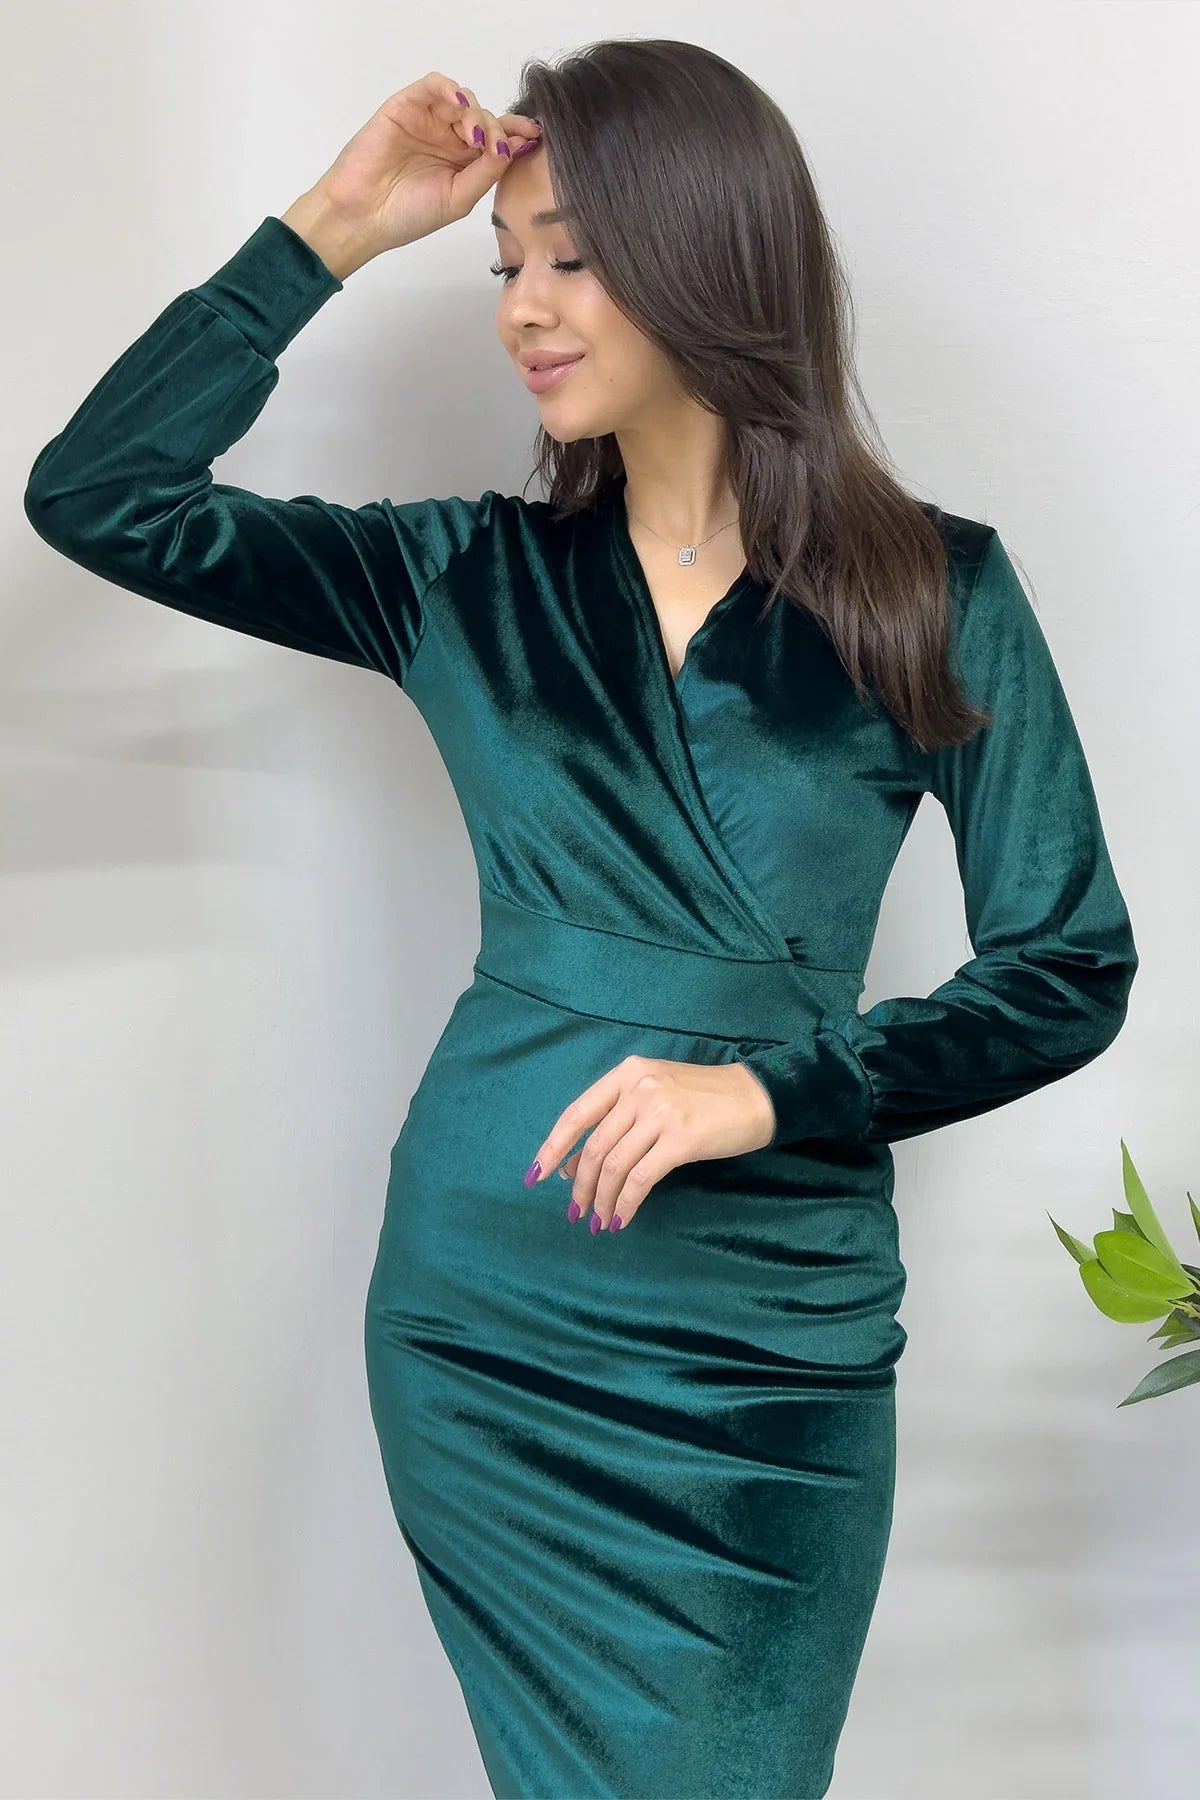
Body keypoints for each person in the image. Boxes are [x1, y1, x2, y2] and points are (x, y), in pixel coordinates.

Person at [23, 41, 1138, 1800]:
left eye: (573, 259)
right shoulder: (460, 575)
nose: (523, 310)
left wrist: (768, 1090)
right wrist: (331, 227)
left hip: (768, 1353)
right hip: (491, 1318)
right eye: (504, 266)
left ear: (708, 255)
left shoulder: (933, 590)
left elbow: (1068, 966)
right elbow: (100, 496)